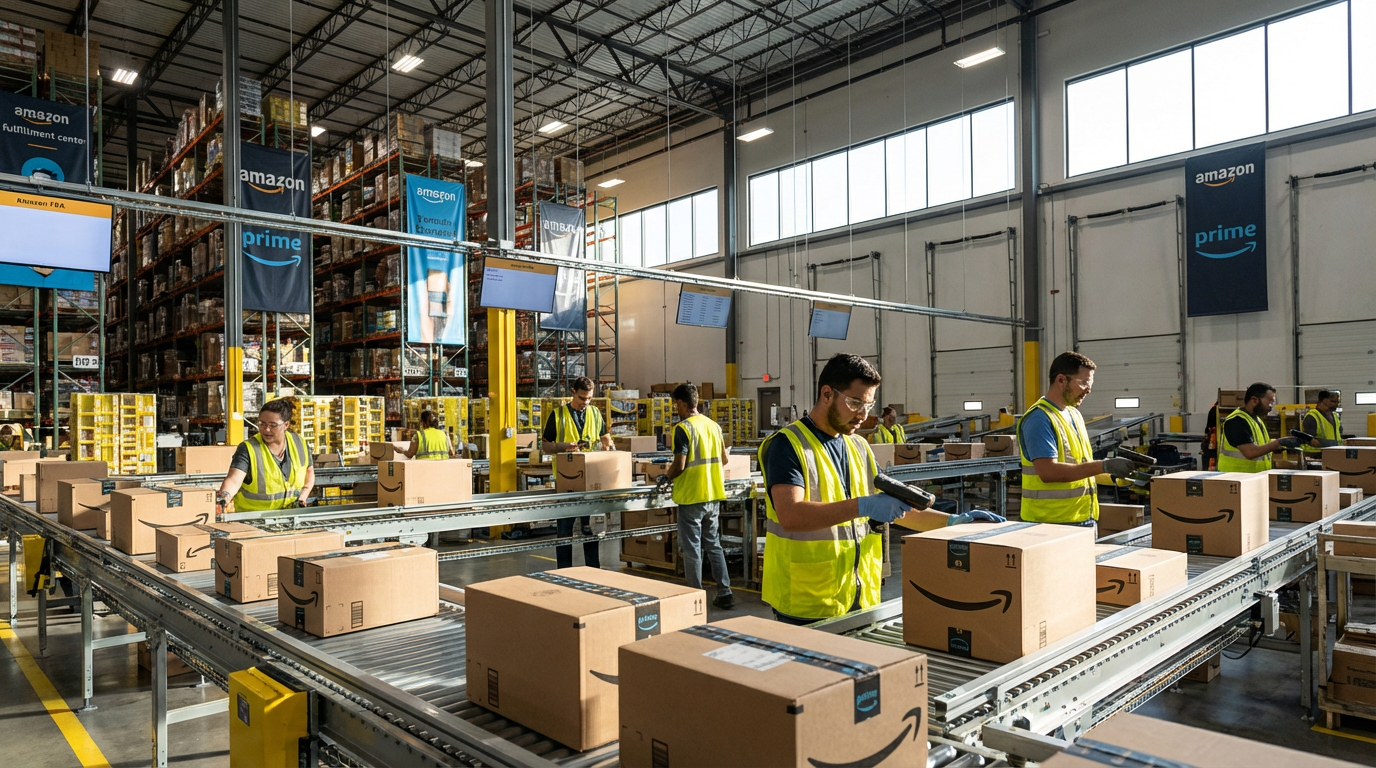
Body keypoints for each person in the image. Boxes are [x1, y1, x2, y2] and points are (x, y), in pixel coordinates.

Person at [760, 353, 1002, 625]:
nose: (864, 415)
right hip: (806, 600)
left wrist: (953, 523)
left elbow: (895, 509)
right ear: (826, 394)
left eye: (869, 405)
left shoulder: (858, 447)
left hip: (858, 598)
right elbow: (791, 516)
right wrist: (863, 506)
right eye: (855, 403)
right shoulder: (788, 445)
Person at [1016, 351, 1138, 528]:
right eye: (1083, 383)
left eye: (1090, 383)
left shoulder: (1074, 414)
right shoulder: (1039, 418)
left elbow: (1081, 467)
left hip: (1082, 518)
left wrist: (1116, 477)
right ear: (1061, 380)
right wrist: (1103, 465)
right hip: (1049, 524)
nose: (1089, 390)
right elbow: (1048, 472)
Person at [664, 384, 734, 610]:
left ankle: (695, 597)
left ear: (682, 403)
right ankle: (725, 592)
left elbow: (680, 464)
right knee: (713, 545)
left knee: (692, 548)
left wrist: (666, 477)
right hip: (712, 496)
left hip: (691, 497)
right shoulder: (713, 426)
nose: (676, 408)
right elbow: (724, 459)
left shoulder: (683, 429)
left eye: (676, 404)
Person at [543, 376, 611, 569]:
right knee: (565, 530)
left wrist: (608, 443)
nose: (585, 403)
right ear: (573, 391)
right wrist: (564, 446)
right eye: (582, 398)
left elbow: (603, 435)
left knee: (590, 530)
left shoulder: (595, 413)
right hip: (567, 482)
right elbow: (546, 447)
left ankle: (593, 570)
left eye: (589, 398)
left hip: (590, 480)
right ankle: (564, 571)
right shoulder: (558, 415)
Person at [218, 398, 316, 512]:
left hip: (290, 518)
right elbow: (233, 480)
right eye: (262, 423)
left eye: (273, 425)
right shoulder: (249, 449)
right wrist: (223, 499)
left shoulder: (299, 443)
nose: (266, 429)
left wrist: (304, 494)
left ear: (286, 425)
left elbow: (309, 471)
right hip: (253, 521)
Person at [1217, 382, 1303, 473]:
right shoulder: (1236, 421)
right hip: (1236, 478)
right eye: (1269, 402)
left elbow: (1261, 444)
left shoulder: (1256, 419)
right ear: (1254, 400)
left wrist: (1285, 442)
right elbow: (1250, 452)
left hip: (1253, 477)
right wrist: (1278, 442)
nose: (1271, 407)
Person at [1301, 389, 1343, 456]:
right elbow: (1310, 441)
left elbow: (1339, 434)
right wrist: (1331, 444)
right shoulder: (1312, 417)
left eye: (1338, 402)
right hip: (1315, 455)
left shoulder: (1335, 416)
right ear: (1324, 401)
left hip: (1333, 453)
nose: (1336, 404)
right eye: (1333, 401)